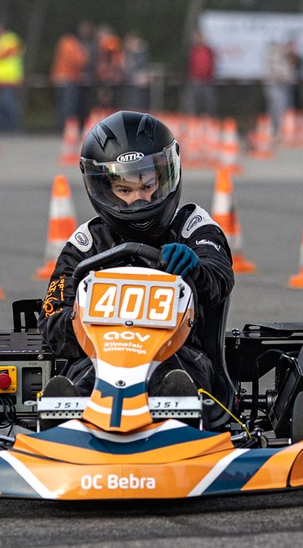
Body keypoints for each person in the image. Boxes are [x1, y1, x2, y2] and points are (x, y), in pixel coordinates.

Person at [39, 111, 235, 398]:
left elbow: (219, 276)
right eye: (124, 189)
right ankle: (68, 416)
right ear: (104, 189)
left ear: (166, 176)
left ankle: (176, 413)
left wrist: (196, 270)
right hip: (100, 359)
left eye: (147, 186)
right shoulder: (86, 244)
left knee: (173, 380)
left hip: (179, 354)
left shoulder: (193, 227)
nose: (139, 199)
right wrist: (89, 320)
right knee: (83, 382)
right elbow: (51, 318)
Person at [51, 22, 90, 131]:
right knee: (68, 106)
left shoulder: (65, 41)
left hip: (65, 78)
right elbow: (77, 60)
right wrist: (85, 56)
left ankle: (66, 128)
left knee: (66, 106)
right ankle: (66, 129)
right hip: (67, 79)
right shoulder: (70, 43)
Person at [183, 29, 216, 116]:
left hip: (207, 81)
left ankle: (210, 121)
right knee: (192, 106)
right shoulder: (191, 50)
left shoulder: (208, 50)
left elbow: (211, 64)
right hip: (194, 81)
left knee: (209, 105)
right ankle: (192, 123)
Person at [264, 39, 294, 132]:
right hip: (275, 87)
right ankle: (275, 128)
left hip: (282, 87)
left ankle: (279, 128)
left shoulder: (282, 58)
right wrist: (283, 77)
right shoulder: (273, 58)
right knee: (276, 108)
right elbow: (277, 74)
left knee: (281, 108)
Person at [120, 31, 150, 111]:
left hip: (137, 84)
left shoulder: (141, 54)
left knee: (138, 104)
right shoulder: (128, 54)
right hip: (130, 83)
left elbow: (140, 68)